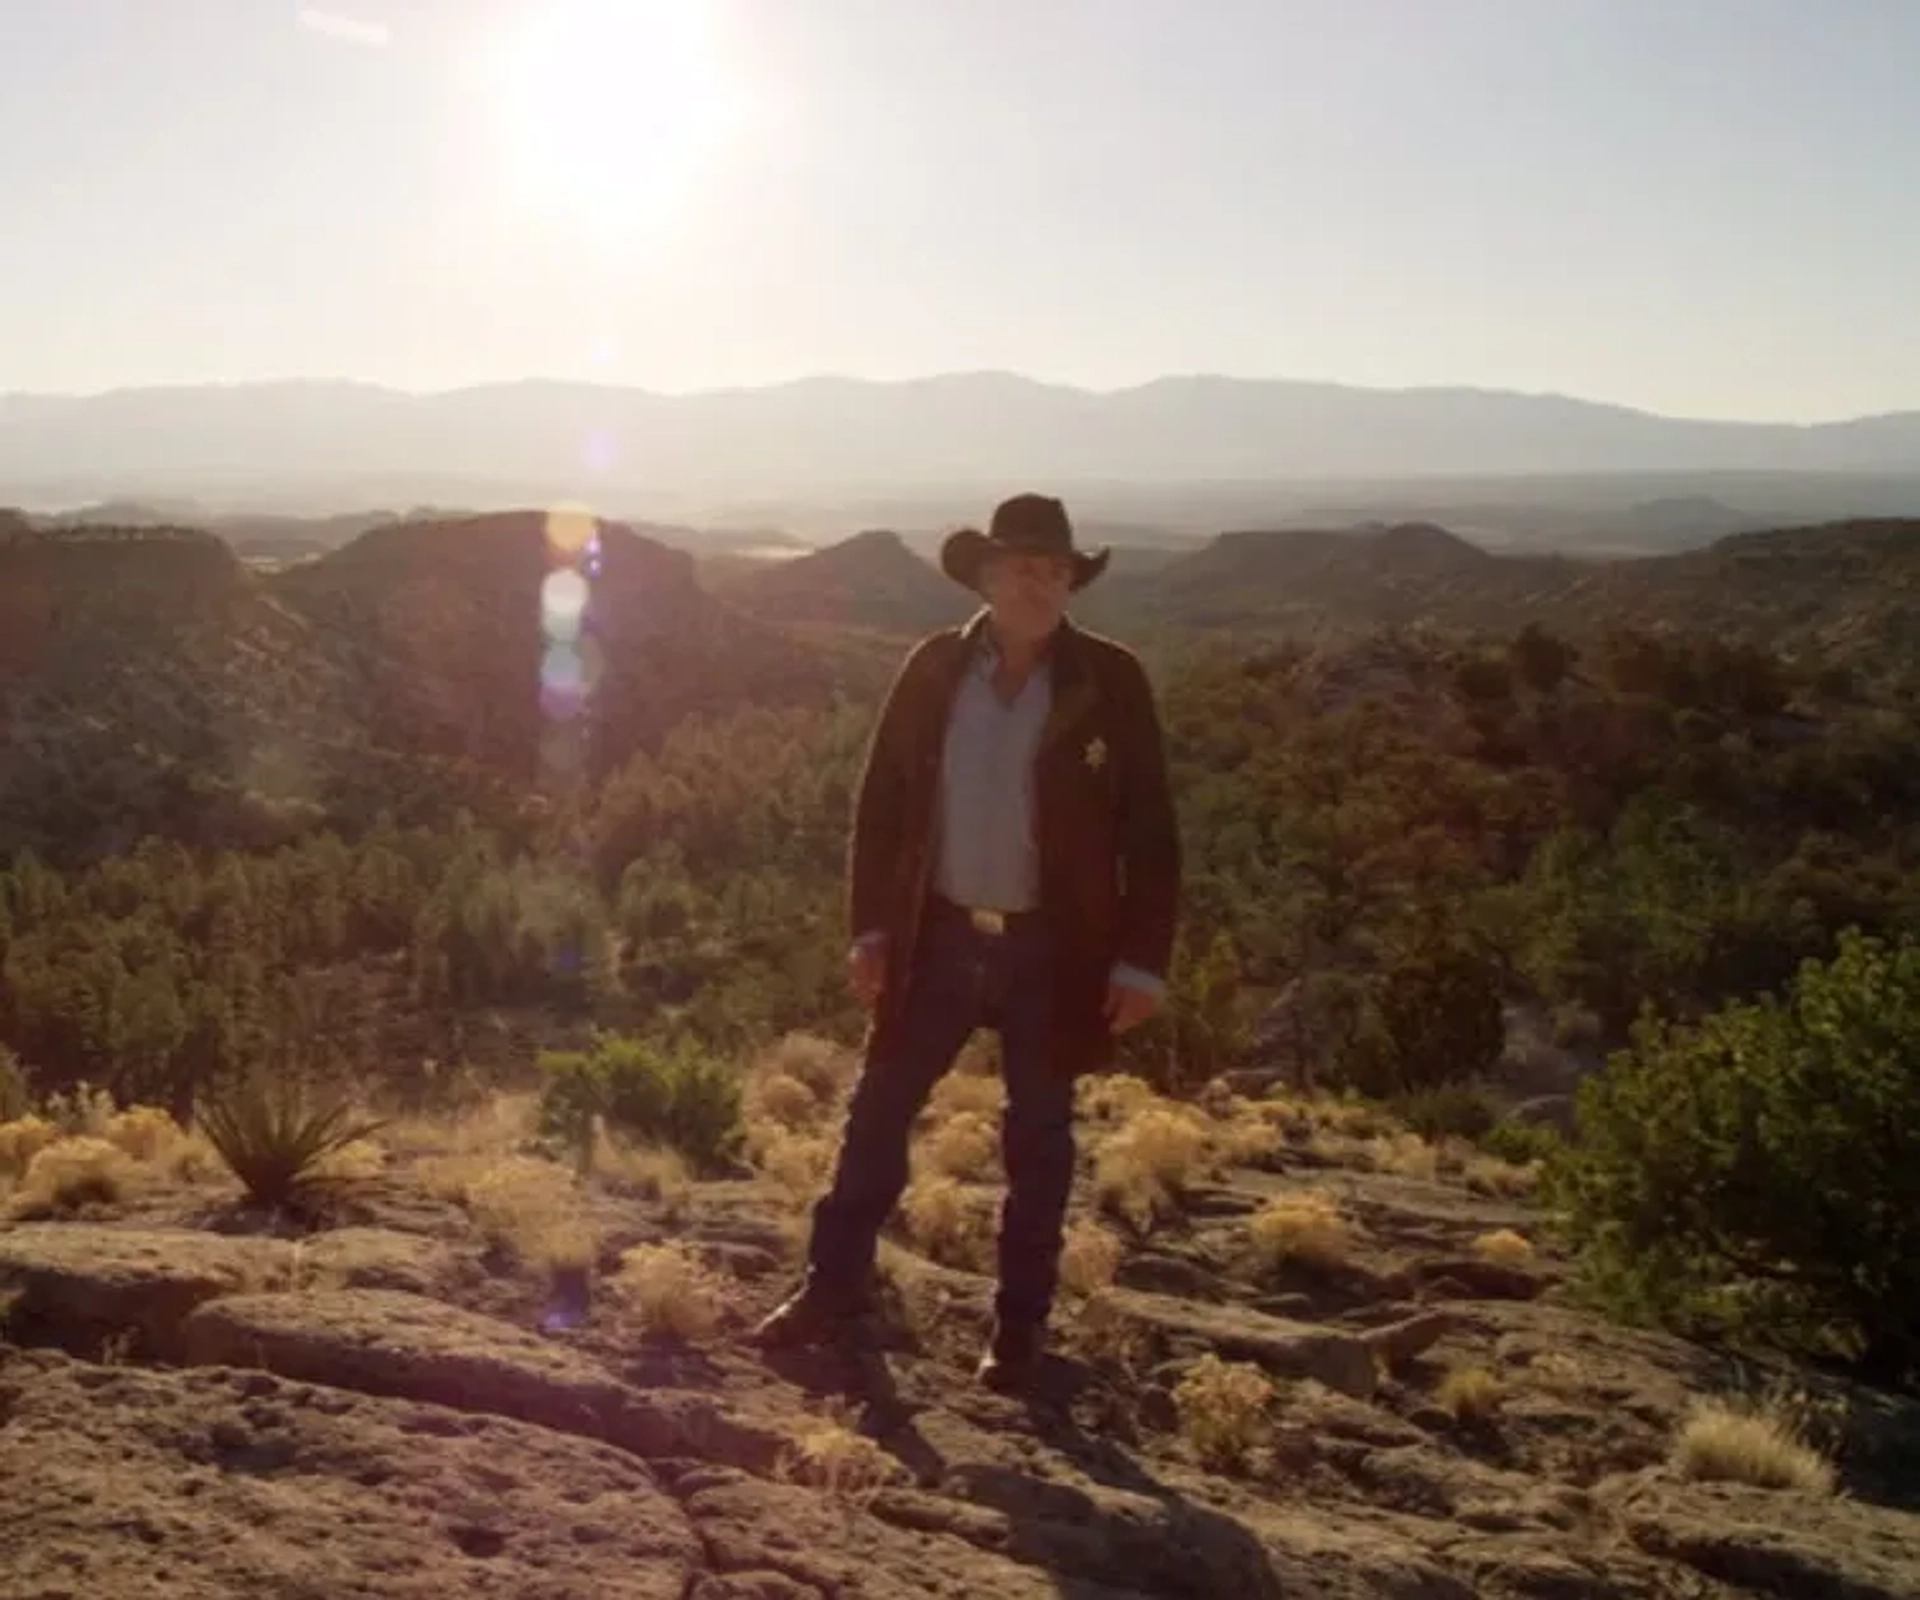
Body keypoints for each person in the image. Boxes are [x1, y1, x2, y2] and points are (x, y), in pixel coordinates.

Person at [753, 491, 1181, 1392]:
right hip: (937, 935)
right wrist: (869, 929)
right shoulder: (934, 669)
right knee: (877, 1114)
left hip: (1055, 952)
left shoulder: (1111, 681)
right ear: (986, 577)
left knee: (1040, 1142)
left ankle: (1018, 1333)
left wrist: (1143, 960)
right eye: (1023, 567)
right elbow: (882, 810)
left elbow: (1152, 832)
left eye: (1057, 571)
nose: (1041, 585)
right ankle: (832, 1287)